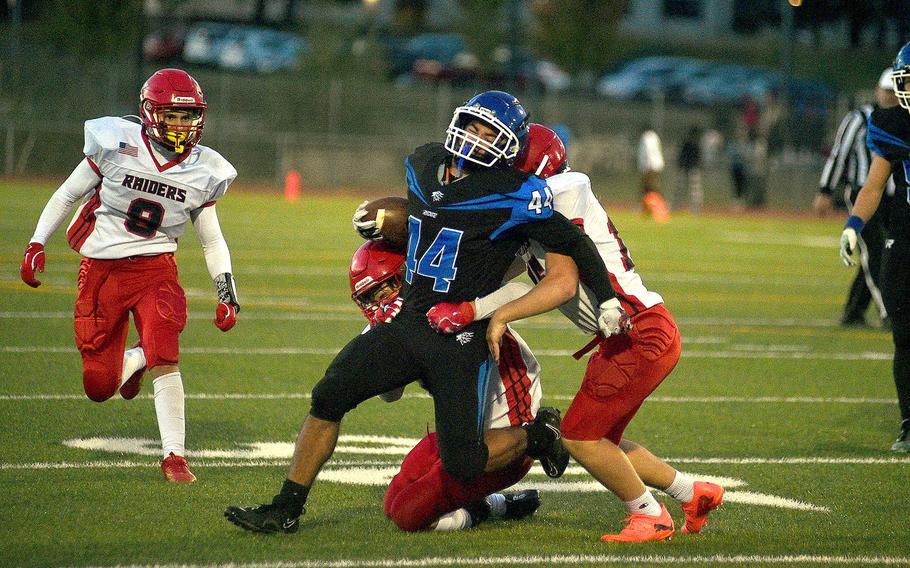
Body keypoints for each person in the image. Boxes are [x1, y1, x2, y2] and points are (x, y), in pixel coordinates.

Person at [224, 90, 629, 534]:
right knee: (329, 396)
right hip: (410, 320)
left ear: (508, 145)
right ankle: (286, 508)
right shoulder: (423, 163)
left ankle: (541, 435)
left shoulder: (515, 194)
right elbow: (426, 212)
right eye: (470, 125)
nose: (473, 137)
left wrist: (608, 297)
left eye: (486, 131)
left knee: (465, 460)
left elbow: (573, 242)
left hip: (459, 339)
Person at [428, 124, 724, 542]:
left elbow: (561, 284)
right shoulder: (539, 206)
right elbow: (504, 271)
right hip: (633, 331)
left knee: (579, 437)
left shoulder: (562, 192)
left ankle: (649, 516)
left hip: (637, 331)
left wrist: (500, 315)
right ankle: (691, 493)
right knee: (602, 441)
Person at [18, 68, 240, 482]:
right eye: (171, 116)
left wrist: (226, 293)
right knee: (99, 387)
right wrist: (36, 242)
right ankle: (135, 358)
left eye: (187, 116)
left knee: (166, 354)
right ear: (149, 112)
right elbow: (68, 193)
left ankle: (174, 456)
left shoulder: (204, 169)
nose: (180, 125)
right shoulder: (116, 143)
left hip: (156, 269)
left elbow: (212, 240)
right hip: (103, 270)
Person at [348, 240, 544, 532]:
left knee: (407, 514)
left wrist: (471, 311)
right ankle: (495, 505)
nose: (379, 303)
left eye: (384, 289)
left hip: (510, 427)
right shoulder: (387, 324)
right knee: (392, 502)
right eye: (370, 297)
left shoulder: (450, 292)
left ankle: (545, 437)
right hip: (459, 431)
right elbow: (390, 395)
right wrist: (385, 345)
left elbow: (522, 291)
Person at [840, 42, 910, 452]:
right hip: (906, 233)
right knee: (905, 333)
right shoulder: (892, 122)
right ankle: (908, 420)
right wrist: (853, 224)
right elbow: (874, 183)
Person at [817, 68, 897, 328]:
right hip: (863, 193)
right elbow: (839, 155)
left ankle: (853, 310)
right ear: (877, 90)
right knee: (876, 251)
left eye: (894, 91)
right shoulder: (860, 118)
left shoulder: (902, 121)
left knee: (883, 251)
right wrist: (825, 190)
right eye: (886, 91)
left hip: (893, 197)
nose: (890, 96)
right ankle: (889, 313)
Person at [637, 126, 670, 223]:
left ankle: (659, 210)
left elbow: (648, 152)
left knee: (651, 189)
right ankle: (647, 210)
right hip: (656, 166)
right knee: (649, 189)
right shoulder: (654, 137)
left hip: (650, 167)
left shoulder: (646, 138)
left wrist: (648, 168)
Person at [673, 126, 704, 214]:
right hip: (685, 168)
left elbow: (698, 158)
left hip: (693, 168)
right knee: (680, 189)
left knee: (695, 191)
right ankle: (676, 206)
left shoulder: (696, 144)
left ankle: (695, 209)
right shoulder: (687, 143)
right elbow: (681, 156)